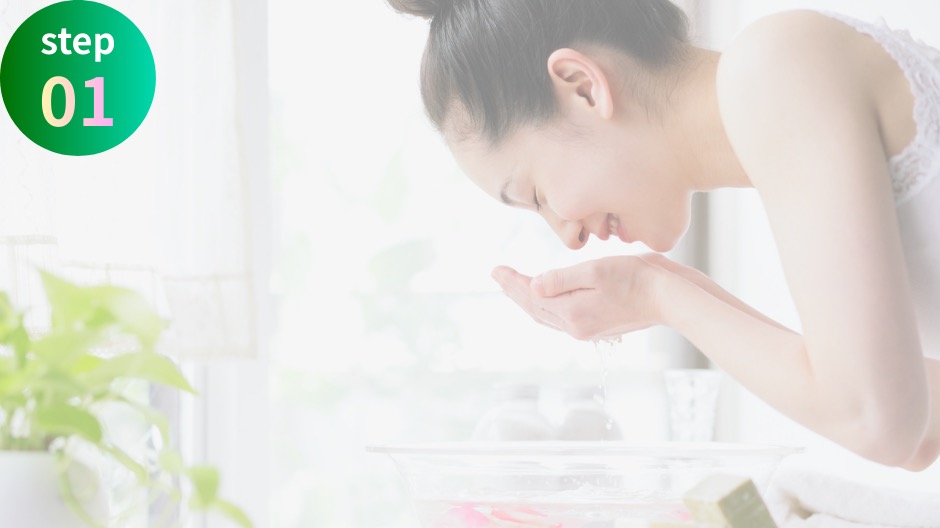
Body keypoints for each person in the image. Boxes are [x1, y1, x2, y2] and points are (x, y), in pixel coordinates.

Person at [386, 0, 940, 470]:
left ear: (582, 87)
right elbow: (919, 427)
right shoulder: (781, 93)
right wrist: (670, 289)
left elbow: (879, 423)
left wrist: (657, 295)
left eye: (536, 196)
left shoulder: (775, 64)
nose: (568, 237)